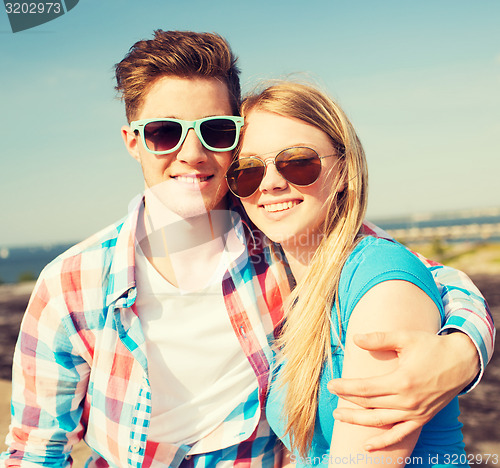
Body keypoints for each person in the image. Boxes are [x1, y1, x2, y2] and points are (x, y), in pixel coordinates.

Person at [0, 31, 494, 467]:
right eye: (164, 132)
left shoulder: (279, 236)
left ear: (235, 138)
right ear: (133, 141)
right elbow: (36, 448)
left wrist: (462, 350)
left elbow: (420, 277)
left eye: (215, 131)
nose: (191, 154)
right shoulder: (72, 281)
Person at [228, 81, 488, 467]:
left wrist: (467, 346)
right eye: (248, 171)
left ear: (345, 170)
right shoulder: (301, 287)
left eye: (298, 161)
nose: (270, 183)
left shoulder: (378, 280)